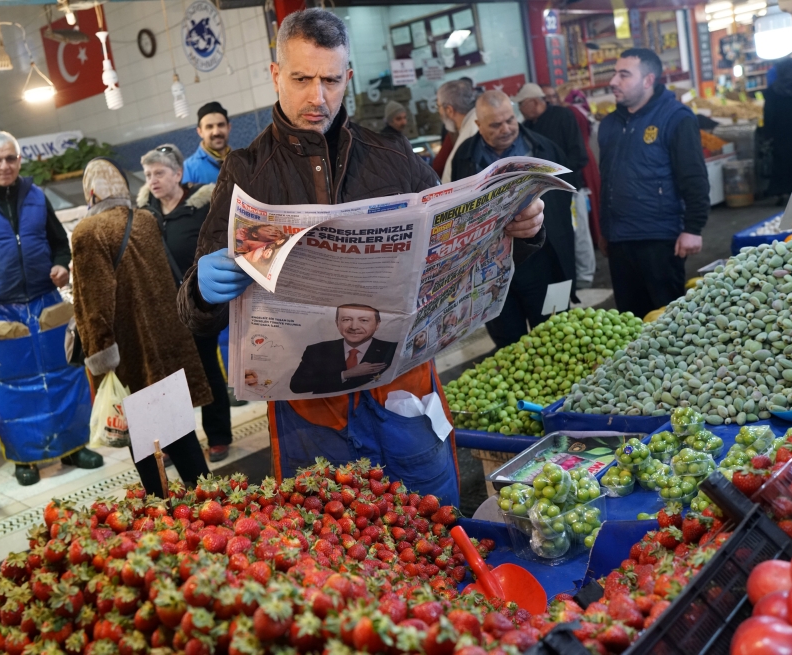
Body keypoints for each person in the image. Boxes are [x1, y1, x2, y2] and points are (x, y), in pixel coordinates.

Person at [177, 8, 546, 507]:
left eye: (331, 79)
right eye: (302, 78)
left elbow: (457, 254)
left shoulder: (395, 159)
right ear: (275, 74)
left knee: (434, 534)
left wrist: (518, 231)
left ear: (348, 77)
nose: (318, 97)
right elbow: (194, 315)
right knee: (334, 553)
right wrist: (201, 289)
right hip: (309, 411)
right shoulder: (247, 174)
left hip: (403, 397)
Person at [0, 131, 100, 485]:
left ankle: (74, 447)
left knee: (66, 375)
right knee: (12, 389)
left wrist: (62, 265)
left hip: (45, 303)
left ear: (20, 160)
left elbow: (58, 243)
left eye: (11, 158)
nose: (5, 166)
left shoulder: (35, 196)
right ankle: (25, 459)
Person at [70, 157, 212, 495]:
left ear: (91, 193)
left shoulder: (88, 232)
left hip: (129, 349)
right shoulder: (145, 218)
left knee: (144, 436)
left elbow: (95, 302)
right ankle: (210, 498)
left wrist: (100, 355)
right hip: (166, 342)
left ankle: (161, 507)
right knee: (177, 429)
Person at [449, 90, 575, 348]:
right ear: (478, 125)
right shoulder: (464, 156)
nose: (506, 129)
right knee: (508, 344)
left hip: (546, 261)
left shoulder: (544, 148)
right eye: (495, 124)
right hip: (492, 271)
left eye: (510, 120)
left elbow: (566, 205)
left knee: (557, 336)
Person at [138, 144, 235, 463]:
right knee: (168, 377)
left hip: (196, 301)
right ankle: (176, 442)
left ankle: (218, 436)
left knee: (206, 369)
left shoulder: (201, 205)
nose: (153, 180)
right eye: (148, 174)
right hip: (161, 309)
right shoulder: (144, 212)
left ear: (178, 174)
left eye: (160, 173)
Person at [600, 48, 709, 318]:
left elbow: (694, 177)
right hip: (620, 240)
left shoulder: (676, 118)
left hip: (660, 239)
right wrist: (605, 230)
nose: (613, 81)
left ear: (648, 80)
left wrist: (693, 228)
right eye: (615, 73)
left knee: (668, 323)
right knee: (630, 322)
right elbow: (607, 180)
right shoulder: (609, 124)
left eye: (624, 75)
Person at [514, 83, 595, 288]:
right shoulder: (528, 126)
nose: (520, 110)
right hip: (542, 194)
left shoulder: (563, 116)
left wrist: (558, 178)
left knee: (577, 232)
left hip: (568, 188)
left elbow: (578, 154)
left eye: (521, 104)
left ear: (533, 102)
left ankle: (584, 277)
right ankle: (564, 278)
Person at [289, 305, 397, 394]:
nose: (354, 327)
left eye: (364, 320)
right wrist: (345, 374)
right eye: (346, 319)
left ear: (377, 324)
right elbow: (297, 386)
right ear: (337, 323)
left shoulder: (393, 349)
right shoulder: (316, 350)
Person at [563, 87, 604, 247]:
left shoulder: (571, 112)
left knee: (584, 199)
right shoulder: (582, 110)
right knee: (592, 195)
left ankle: (594, 235)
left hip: (580, 156)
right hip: (589, 156)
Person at [763, 58, 792, 204]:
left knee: (781, 161)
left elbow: (769, 114)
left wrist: (768, 133)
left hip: (781, 133)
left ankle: (781, 192)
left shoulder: (773, 90)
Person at [436, 78, 480, 183]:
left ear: (449, 110)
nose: (439, 111)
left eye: (439, 106)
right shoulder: (474, 121)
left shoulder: (472, 131)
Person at [182, 102, 232, 185]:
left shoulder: (242, 161)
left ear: (229, 127)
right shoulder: (188, 168)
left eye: (221, 125)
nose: (216, 132)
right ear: (200, 132)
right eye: (209, 127)